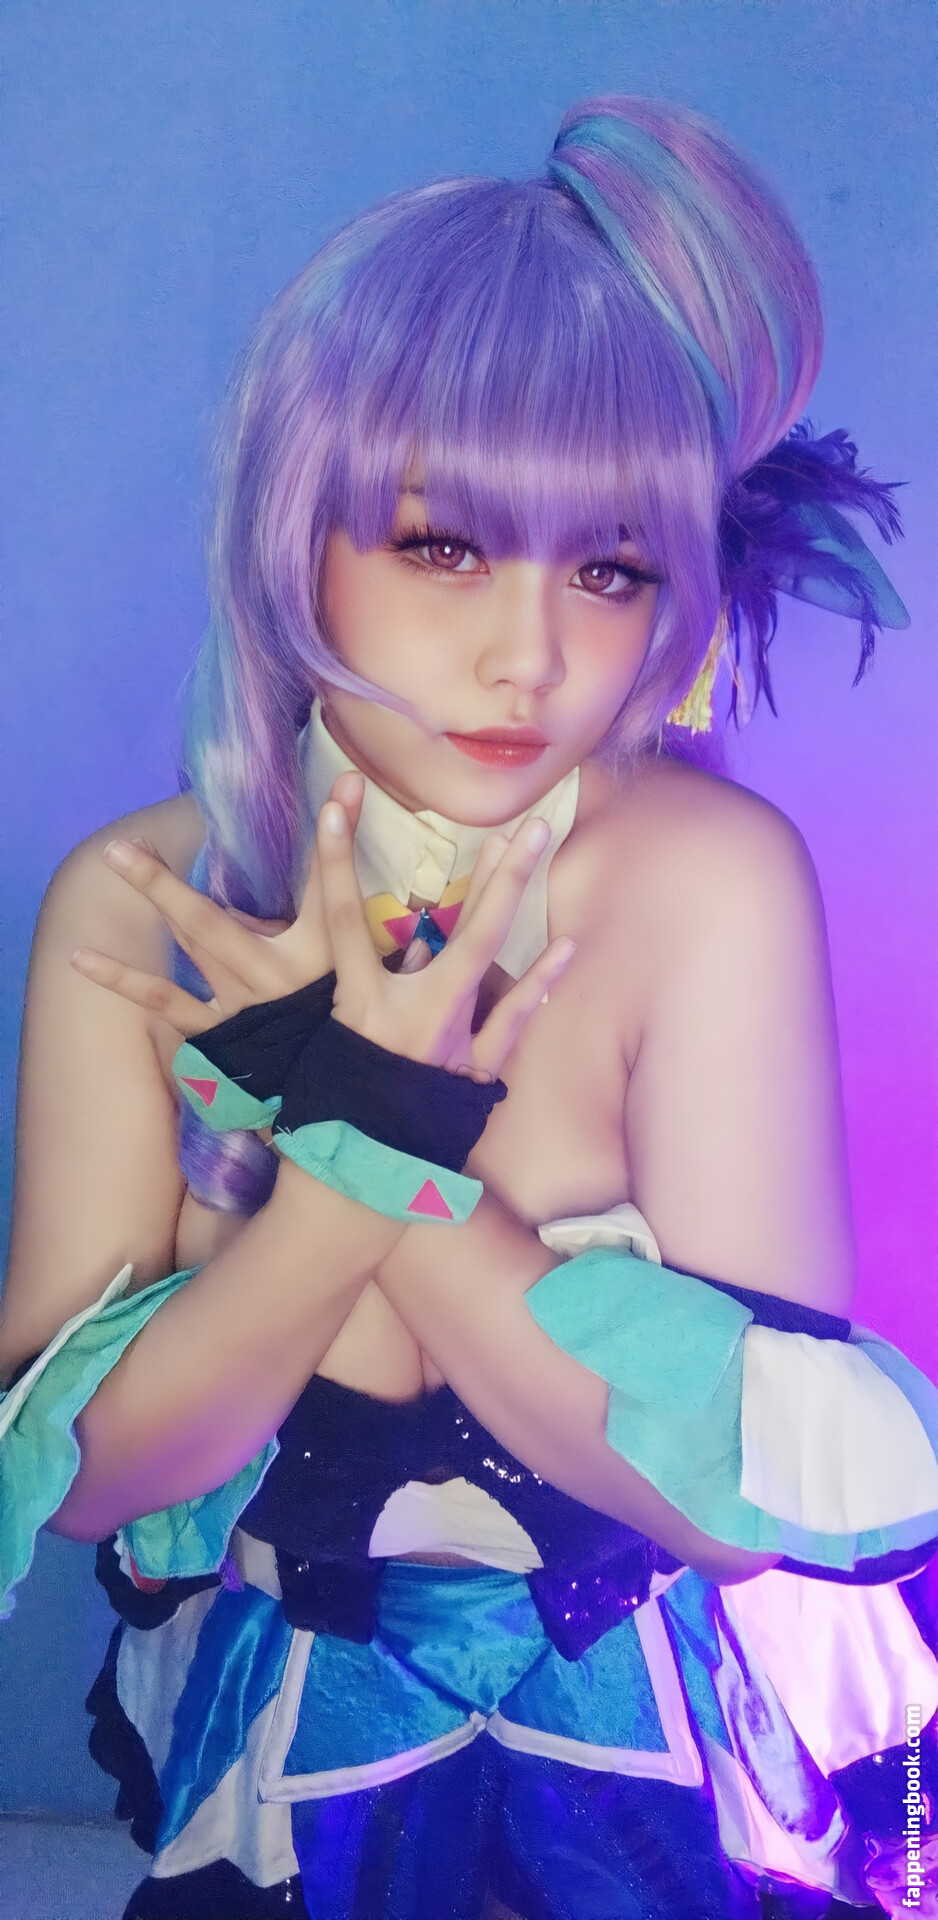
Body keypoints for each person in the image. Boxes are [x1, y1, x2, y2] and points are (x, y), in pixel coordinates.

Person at [1, 95, 936, 1920]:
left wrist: (355, 1115)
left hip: (653, 1751)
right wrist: (361, 1135)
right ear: (299, 532)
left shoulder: (704, 881)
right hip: (301, 1742)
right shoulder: (144, 906)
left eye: (609, 567)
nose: (532, 655)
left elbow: (733, 1504)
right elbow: (94, 1479)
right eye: (442, 546)